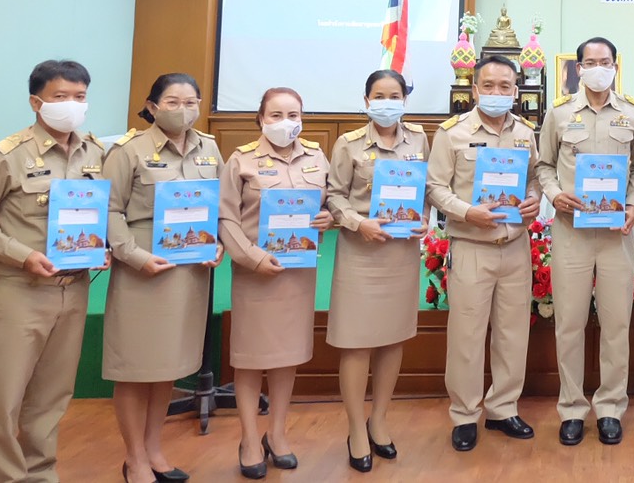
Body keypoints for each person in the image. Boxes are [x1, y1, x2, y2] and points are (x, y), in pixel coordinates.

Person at [0, 60, 108, 483]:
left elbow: (98, 212)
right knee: (4, 403)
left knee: (51, 399)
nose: (72, 105)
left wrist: (102, 247)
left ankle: (40, 475)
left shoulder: (95, 151)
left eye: (80, 96)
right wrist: (22, 254)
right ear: (36, 102)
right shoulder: (7, 154)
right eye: (61, 97)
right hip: (19, 291)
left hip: (73, 290)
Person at [104, 73, 224, 483]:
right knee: (137, 367)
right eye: (173, 102)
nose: (184, 110)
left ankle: (155, 450)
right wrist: (134, 257)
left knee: (167, 365)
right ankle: (134, 457)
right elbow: (110, 210)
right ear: (153, 106)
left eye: (191, 102)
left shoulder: (209, 147)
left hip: (190, 272)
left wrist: (218, 243)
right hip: (144, 270)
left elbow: (218, 205)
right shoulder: (128, 150)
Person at [536, 37, 634, 446]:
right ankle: (571, 408)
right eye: (590, 61)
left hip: (616, 235)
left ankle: (610, 407)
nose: (597, 67)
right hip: (571, 233)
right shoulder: (559, 113)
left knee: (616, 324)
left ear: (615, 66)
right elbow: (544, 165)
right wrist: (553, 195)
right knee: (569, 323)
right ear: (578, 68)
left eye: (605, 61)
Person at [427, 55, 543, 453]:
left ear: (516, 90)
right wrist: (465, 211)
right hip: (471, 245)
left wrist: (532, 200)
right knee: (467, 336)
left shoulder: (527, 133)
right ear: (475, 89)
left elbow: (534, 180)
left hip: (514, 246)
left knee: (513, 334)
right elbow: (434, 187)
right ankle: (464, 414)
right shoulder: (452, 133)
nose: (497, 93)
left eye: (505, 87)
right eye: (489, 86)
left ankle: (503, 408)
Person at [219, 87, 332, 478]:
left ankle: (277, 434)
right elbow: (226, 218)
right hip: (255, 273)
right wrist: (251, 257)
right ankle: (250, 438)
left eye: (294, 114)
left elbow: (331, 202)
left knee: (287, 356)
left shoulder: (317, 156)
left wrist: (328, 217)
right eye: (277, 114)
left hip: (298, 272)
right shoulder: (241, 161)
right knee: (251, 360)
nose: (287, 122)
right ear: (261, 119)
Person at [326, 69, 430, 472]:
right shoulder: (348, 143)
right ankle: (355, 428)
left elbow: (425, 190)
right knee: (356, 342)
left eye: (394, 94)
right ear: (367, 100)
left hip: (401, 252)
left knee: (392, 338)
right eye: (378, 95)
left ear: (405, 98)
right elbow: (334, 196)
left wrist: (423, 216)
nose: (387, 101)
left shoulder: (419, 139)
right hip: (361, 251)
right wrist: (358, 223)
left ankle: (379, 420)